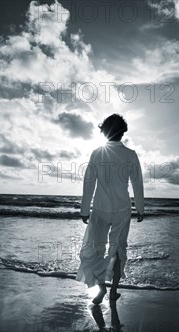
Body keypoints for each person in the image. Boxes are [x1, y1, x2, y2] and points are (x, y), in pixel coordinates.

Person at [76, 114, 144, 304]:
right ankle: (113, 291)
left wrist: (84, 210)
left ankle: (102, 290)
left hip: (100, 208)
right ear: (122, 133)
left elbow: (89, 182)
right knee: (118, 250)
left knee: (96, 249)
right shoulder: (130, 154)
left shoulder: (97, 152)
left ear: (104, 132)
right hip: (122, 208)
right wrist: (140, 208)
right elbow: (137, 183)